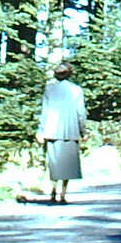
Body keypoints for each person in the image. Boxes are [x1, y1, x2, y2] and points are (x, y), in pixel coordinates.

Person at [36, 59, 87, 203]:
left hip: (51, 131)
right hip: (71, 132)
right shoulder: (76, 90)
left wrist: (41, 130)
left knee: (54, 163)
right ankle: (63, 194)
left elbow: (44, 112)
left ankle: (53, 192)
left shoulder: (49, 89)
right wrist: (83, 131)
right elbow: (81, 113)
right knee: (68, 164)